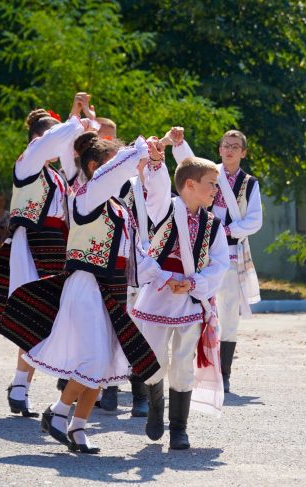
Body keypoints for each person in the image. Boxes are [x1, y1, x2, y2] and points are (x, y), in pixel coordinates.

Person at [0, 131, 162, 453]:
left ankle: (77, 427)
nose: (121, 169)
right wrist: (138, 150)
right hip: (86, 286)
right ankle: (58, 413)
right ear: (94, 165)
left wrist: (162, 275)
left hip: (109, 290)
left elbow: (132, 251)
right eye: (111, 162)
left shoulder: (118, 207)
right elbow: (110, 174)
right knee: (93, 360)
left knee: (104, 364)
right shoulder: (86, 197)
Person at [0, 93, 95, 417]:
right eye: (49, 137)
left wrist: (85, 114)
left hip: (55, 245)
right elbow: (59, 138)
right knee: (35, 312)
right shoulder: (28, 162)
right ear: (37, 138)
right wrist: (72, 116)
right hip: (32, 244)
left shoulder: (56, 175)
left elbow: (79, 154)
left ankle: (35, 382)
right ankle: (24, 385)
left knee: (53, 313)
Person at [131, 152, 230, 450]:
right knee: (154, 360)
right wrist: (163, 278)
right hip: (158, 296)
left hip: (188, 300)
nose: (215, 190)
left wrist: (194, 283)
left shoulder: (212, 225)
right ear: (190, 184)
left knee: (184, 362)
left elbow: (219, 263)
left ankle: (179, 428)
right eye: (211, 184)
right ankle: (156, 408)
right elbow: (143, 249)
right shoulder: (163, 212)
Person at [170, 130, 262, 394]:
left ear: (243, 152)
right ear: (219, 149)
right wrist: (179, 143)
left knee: (229, 311)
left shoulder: (249, 183)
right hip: (200, 248)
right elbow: (188, 164)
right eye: (225, 146)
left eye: (235, 146)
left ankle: (223, 373)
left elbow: (255, 219)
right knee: (196, 306)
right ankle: (192, 370)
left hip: (231, 250)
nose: (229, 150)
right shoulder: (210, 173)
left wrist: (229, 230)